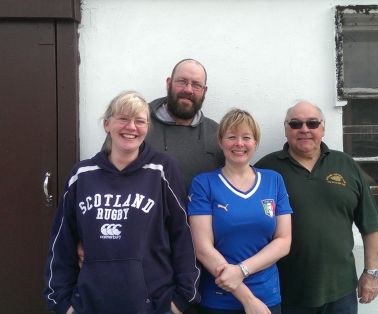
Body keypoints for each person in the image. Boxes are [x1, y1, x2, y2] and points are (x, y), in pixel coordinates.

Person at [44, 91, 200, 314]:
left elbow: (183, 235)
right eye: (123, 119)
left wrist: (182, 299)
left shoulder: (162, 170)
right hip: (91, 304)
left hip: (154, 305)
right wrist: (63, 303)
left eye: (139, 121)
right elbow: (61, 242)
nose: (131, 127)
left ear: (147, 128)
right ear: (107, 124)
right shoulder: (83, 175)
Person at [255, 101, 378, 314]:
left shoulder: (346, 165)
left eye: (312, 123)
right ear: (286, 129)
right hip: (285, 292)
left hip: (340, 291)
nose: (304, 129)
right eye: (296, 124)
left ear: (322, 128)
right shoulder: (266, 170)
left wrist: (372, 273)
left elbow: (370, 225)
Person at [188, 109, 292, 314]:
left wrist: (241, 270)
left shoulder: (274, 180)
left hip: (267, 297)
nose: (239, 144)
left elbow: (283, 242)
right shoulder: (204, 184)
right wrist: (247, 299)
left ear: (255, 142)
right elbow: (202, 248)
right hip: (219, 300)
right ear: (220, 141)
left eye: (246, 137)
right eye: (231, 137)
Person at [147, 58, 224, 188]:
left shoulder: (217, 135)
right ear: (168, 83)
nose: (188, 90)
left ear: (204, 91)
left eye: (196, 85)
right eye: (182, 81)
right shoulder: (137, 126)